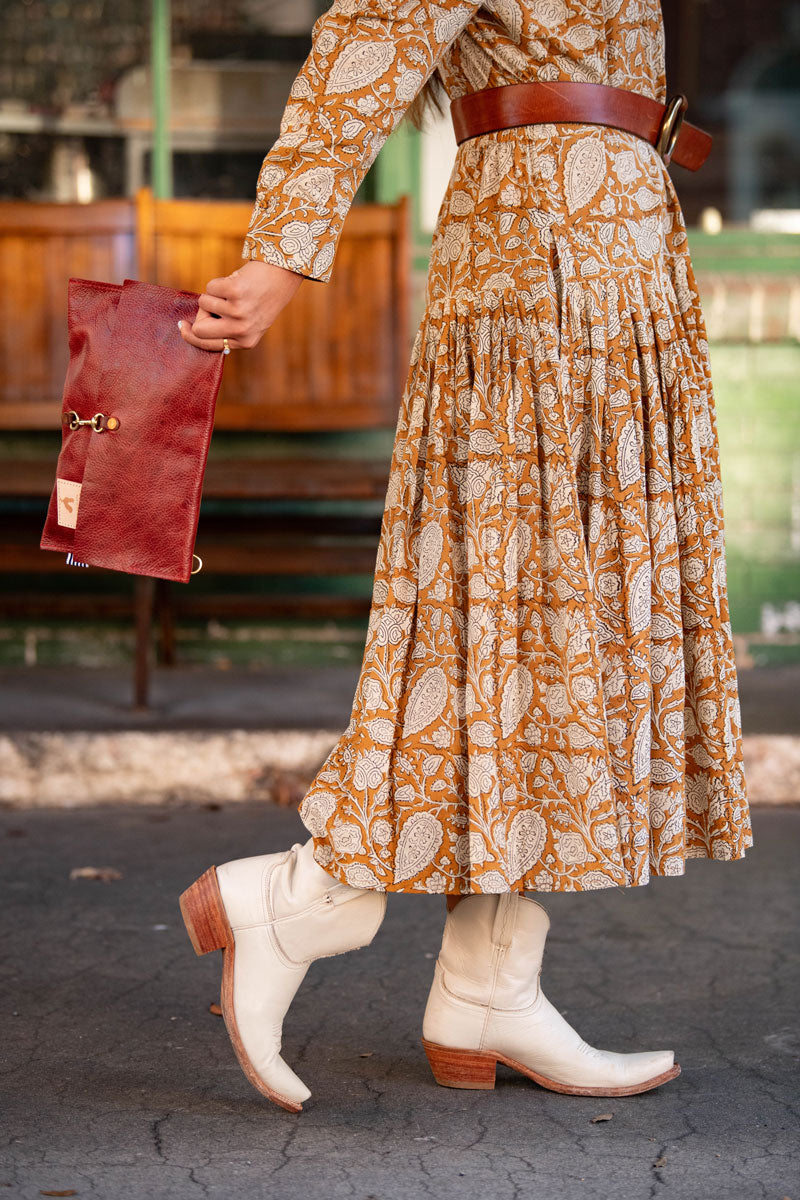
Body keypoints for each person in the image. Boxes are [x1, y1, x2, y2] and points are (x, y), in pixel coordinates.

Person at [178, 0, 753, 1114]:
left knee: (560, 616)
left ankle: (488, 979)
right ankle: (306, 895)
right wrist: (282, 256)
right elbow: (365, 43)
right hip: (541, 259)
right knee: (513, 600)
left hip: (619, 245)